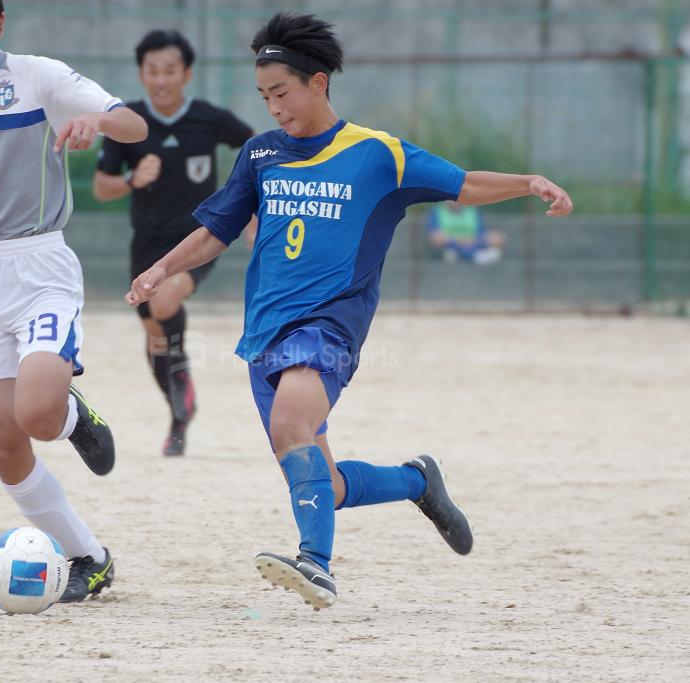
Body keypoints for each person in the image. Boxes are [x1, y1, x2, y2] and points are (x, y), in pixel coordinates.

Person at [127, 12, 573, 609]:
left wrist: (528, 182)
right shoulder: (260, 155)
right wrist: (161, 269)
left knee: (291, 425)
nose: (274, 107)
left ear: (318, 83)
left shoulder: (376, 153)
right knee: (325, 485)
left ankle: (316, 565)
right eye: (264, 96)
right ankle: (418, 481)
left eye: (281, 92)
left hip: (331, 323)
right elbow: (217, 231)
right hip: (265, 334)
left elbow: (463, 184)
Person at [0, 0, 147, 602]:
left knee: (37, 415)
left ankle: (71, 414)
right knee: (0, 437)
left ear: (0, 28)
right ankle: (89, 557)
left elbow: (134, 124)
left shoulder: (38, 77)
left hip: (38, 264)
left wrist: (99, 122)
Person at [94, 30, 254, 456]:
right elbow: (101, 187)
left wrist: (250, 206)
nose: (161, 79)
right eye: (153, 71)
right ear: (142, 74)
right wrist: (131, 179)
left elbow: (255, 148)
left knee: (165, 301)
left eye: (170, 70)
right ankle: (178, 413)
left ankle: (180, 379)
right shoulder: (127, 123)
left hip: (199, 237)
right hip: (146, 241)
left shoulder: (209, 118)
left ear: (186, 73)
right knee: (153, 334)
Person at [427, 200, 505, 264]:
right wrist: (459, 240)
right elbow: (436, 238)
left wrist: (471, 241)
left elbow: (481, 233)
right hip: (451, 248)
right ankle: (474, 257)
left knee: (497, 240)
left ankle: (474, 255)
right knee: (448, 251)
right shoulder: (437, 212)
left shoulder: (473, 210)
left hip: (473, 245)